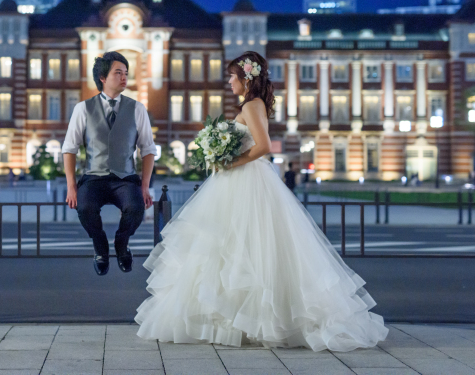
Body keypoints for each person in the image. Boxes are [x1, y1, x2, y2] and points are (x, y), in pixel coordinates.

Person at [136, 51, 388, 351]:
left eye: (232, 76)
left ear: (246, 78)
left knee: (239, 246)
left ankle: (243, 320)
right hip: (241, 180)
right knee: (233, 247)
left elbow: (264, 146)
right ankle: (235, 319)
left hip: (245, 180)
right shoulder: (251, 105)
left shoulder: (252, 105)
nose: (229, 81)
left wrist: (230, 162)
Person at [62, 51, 157, 276]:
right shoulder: (82, 109)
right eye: (118, 73)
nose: (124, 78)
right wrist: (71, 186)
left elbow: (148, 150)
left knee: (136, 208)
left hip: (125, 179)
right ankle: (100, 246)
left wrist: (144, 186)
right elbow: (69, 148)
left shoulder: (137, 109)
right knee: (84, 207)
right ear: (103, 78)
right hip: (94, 178)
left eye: (126, 73)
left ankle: (121, 244)